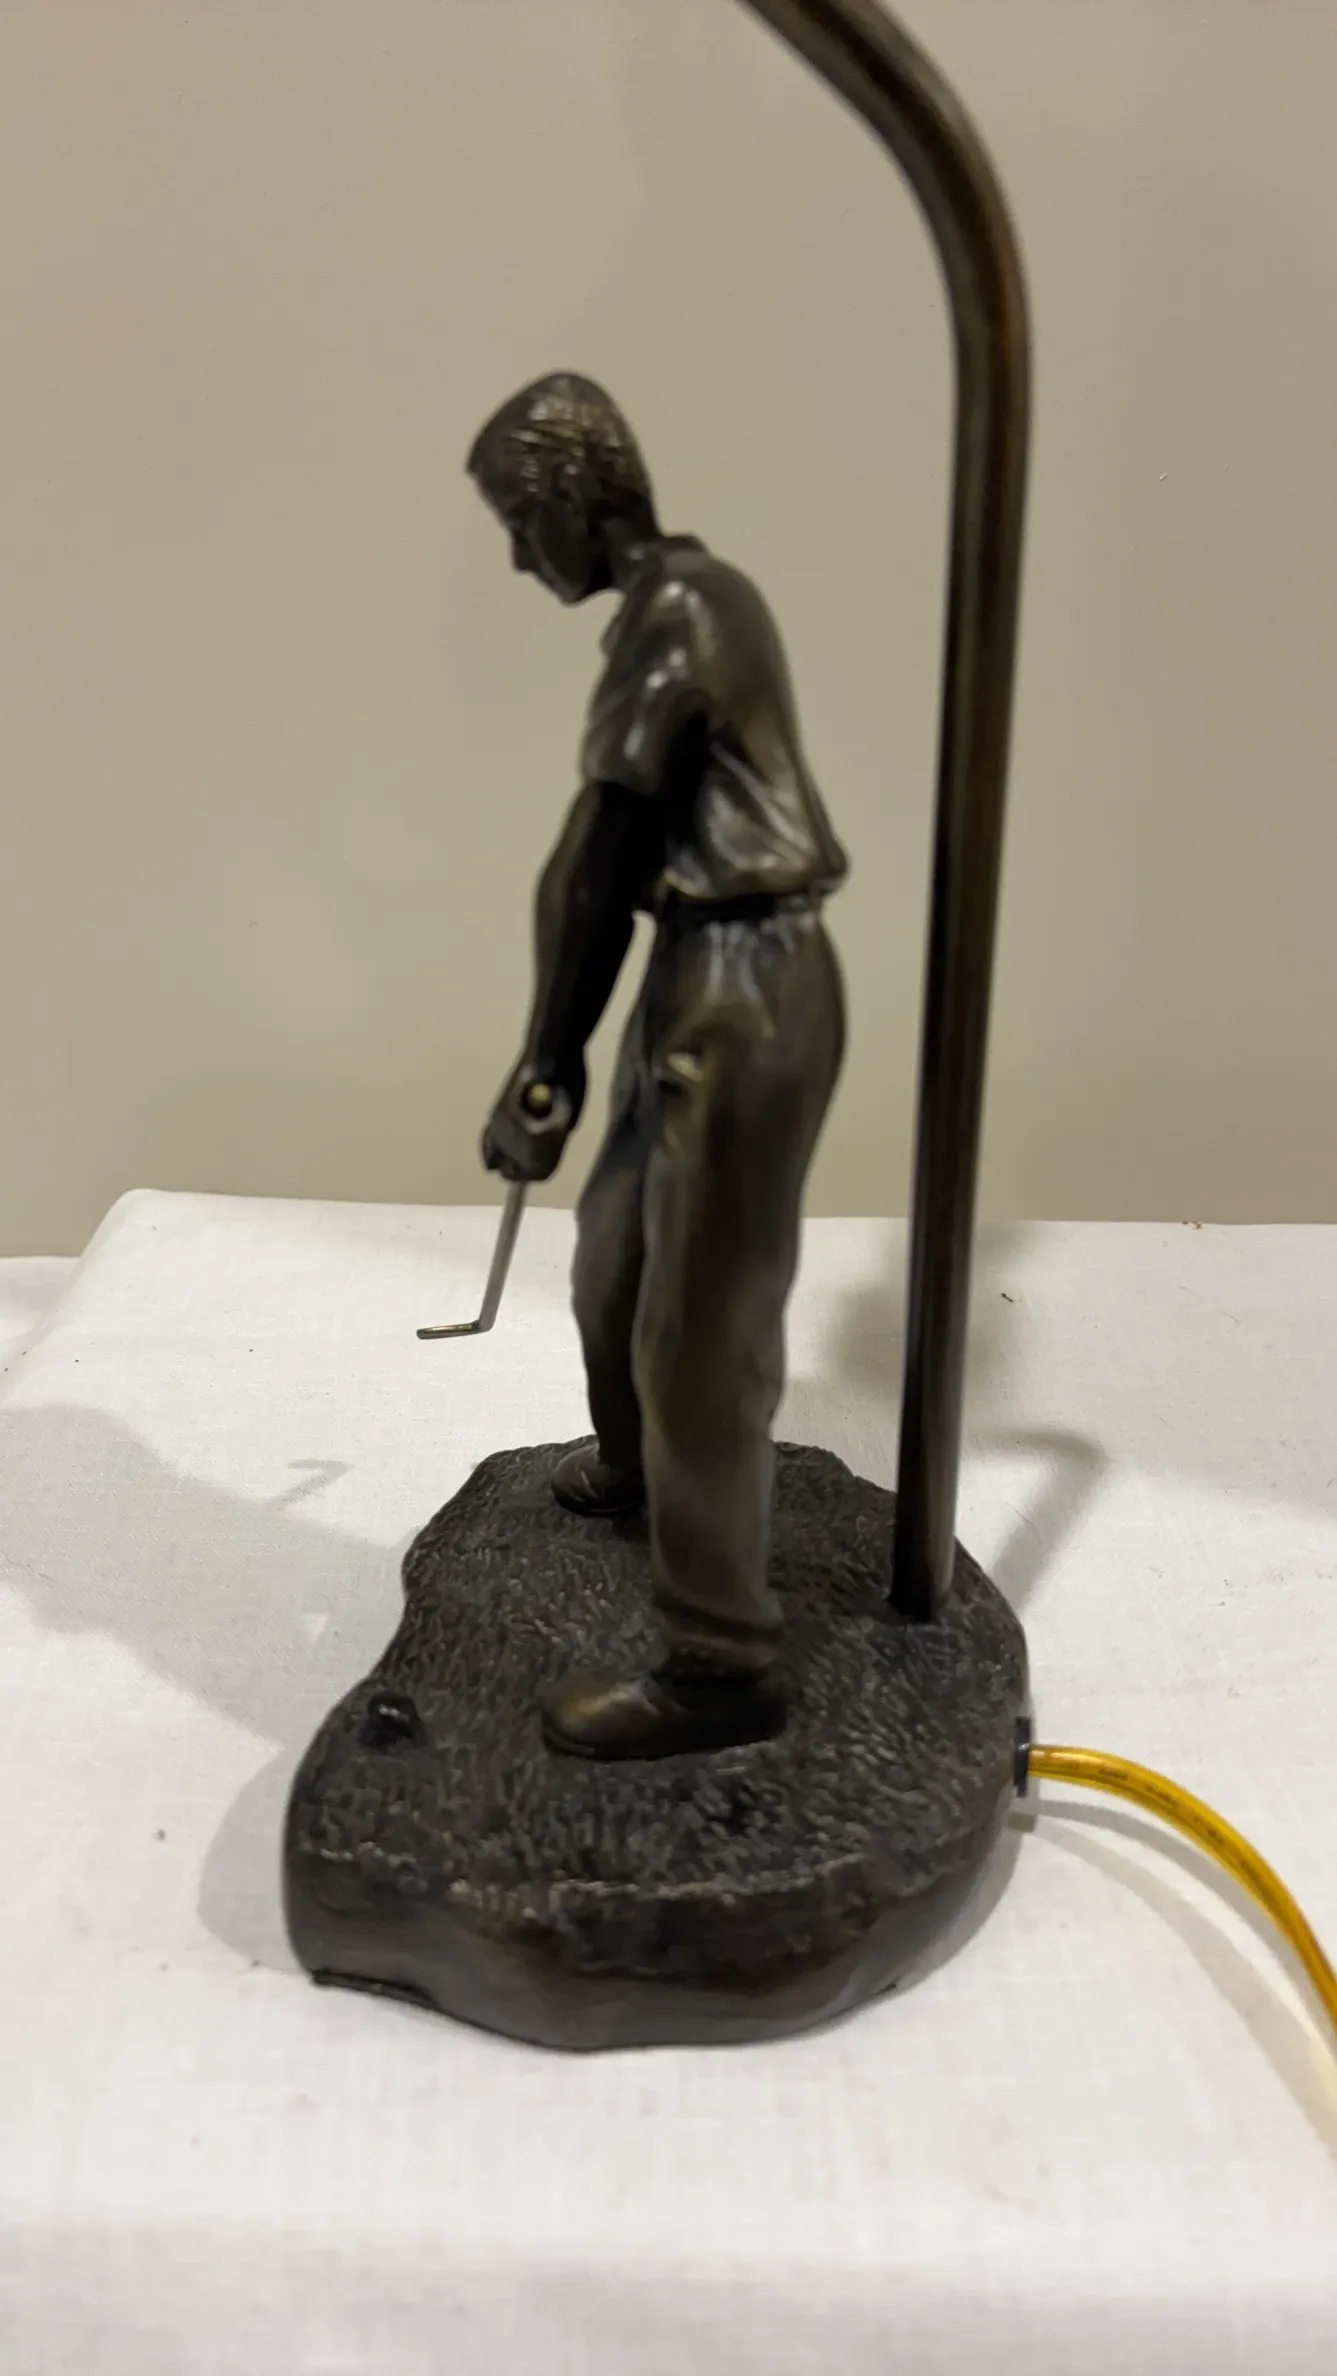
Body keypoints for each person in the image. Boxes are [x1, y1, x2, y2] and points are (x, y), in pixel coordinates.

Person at [472, 372, 847, 1760]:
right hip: (695, 970)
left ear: (582, 496)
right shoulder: (661, 610)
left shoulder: (687, 607)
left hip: (750, 980)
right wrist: (565, 1058)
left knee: (700, 1330)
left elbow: (599, 858)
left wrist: (544, 1061)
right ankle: (637, 1471)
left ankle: (718, 1662)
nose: (522, 558)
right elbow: (608, 868)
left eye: (523, 521)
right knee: (614, 1258)